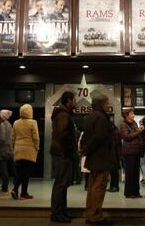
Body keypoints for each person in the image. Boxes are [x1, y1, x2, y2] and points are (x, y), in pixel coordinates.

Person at [81, 94, 115, 225]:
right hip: (101, 157)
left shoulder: (90, 116)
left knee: (92, 186)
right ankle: (95, 216)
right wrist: (88, 149)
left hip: (93, 158)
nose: (108, 105)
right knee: (99, 187)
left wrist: (85, 149)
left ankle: (90, 213)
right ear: (101, 104)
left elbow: (86, 136)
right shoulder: (101, 117)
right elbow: (99, 137)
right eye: (106, 103)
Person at [50, 91, 77, 223]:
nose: (76, 102)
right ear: (69, 101)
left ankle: (62, 211)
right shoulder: (63, 115)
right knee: (61, 184)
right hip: (62, 153)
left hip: (62, 152)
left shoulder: (63, 113)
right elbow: (63, 134)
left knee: (63, 184)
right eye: (74, 100)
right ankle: (56, 213)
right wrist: (69, 148)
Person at [11, 104, 39, 200]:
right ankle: (22, 193)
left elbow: (13, 137)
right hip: (29, 150)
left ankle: (17, 190)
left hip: (18, 150)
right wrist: (37, 147)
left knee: (20, 172)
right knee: (26, 173)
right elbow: (36, 137)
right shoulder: (33, 122)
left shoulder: (15, 123)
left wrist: (14, 147)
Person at [119, 108, 145, 198]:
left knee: (136, 173)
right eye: (132, 113)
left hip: (136, 151)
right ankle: (129, 193)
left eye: (133, 113)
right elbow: (126, 137)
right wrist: (139, 131)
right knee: (130, 173)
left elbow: (136, 135)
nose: (133, 115)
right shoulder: (123, 125)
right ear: (127, 115)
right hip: (128, 152)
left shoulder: (134, 123)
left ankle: (136, 192)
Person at [0, 110, 15, 196]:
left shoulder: (2, 124)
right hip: (8, 149)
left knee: (3, 170)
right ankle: (5, 188)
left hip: (2, 150)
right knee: (5, 170)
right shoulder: (9, 124)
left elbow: (1, 138)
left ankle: (4, 189)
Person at [107, 124, 121, 193]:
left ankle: (115, 186)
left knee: (114, 172)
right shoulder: (114, 133)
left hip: (114, 155)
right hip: (113, 154)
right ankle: (113, 186)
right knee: (113, 171)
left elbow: (115, 145)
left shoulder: (115, 134)